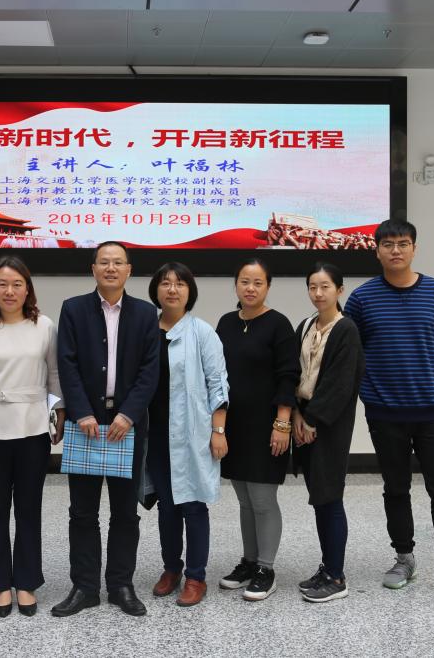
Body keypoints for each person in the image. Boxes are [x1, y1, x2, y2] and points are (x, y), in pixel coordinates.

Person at [344, 218, 434, 604]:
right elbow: (353, 350)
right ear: (376, 251)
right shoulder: (362, 298)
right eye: (388, 244)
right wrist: (375, 384)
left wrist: (426, 369)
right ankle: (404, 559)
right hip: (384, 412)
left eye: (403, 243)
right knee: (395, 488)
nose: (396, 250)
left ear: (414, 248)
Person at [53, 241, 159, 617]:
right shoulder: (73, 309)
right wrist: (81, 412)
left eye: (118, 263)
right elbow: (66, 363)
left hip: (126, 425)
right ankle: (84, 587)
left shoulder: (145, 314)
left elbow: (150, 370)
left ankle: (120, 585)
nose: (111, 268)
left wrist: (128, 414)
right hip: (85, 425)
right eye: (104, 262)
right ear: (93, 268)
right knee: (82, 511)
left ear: (129, 270)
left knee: (125, 512)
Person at [0, 256, 65, 618]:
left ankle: (26, 581)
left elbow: (54, 376)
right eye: (2, 284)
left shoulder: (44, 326)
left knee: (28, 509)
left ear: (27, 289)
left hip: (33, 429)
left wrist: (59, 414)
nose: (9, 291)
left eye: (17, 284)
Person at [146, 262, 229, 607]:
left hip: (193, 433)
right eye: (165, 283)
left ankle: (196, 576)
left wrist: (218, 430)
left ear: (190, 291)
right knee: (167, 506)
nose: (172, 289)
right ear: (156, 290)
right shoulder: (146, 330)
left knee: (193, 504)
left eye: (180, 283)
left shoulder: (202, 332)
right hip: (155, 434)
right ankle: (171, 569)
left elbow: (218, 383)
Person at [215, 258, 298, 601]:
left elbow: (288, 377)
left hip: (268, 427)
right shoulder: (225, 323)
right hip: (235, 426)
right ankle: (249, 562)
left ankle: (266, 568)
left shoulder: (279, 324)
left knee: (262, 499)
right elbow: (217, 375)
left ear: (268, 286)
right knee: (244, 499)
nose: (250, 288)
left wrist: (282, 424)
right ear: (236, 284)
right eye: (244, 281)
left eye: (258, 282)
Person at [291, 263, 365, 603]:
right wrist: (296, 414)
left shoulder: (346, 329)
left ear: (339, 290)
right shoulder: (306, 325)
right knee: (319, 497)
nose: (318, 293)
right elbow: (293, 373)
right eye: (312, 286)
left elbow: (341, 383)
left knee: (330, 496)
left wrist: (312, 421)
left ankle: (337, 577)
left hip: (329, 425)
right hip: (304, 418)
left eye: (325, 286)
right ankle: (327, 567)